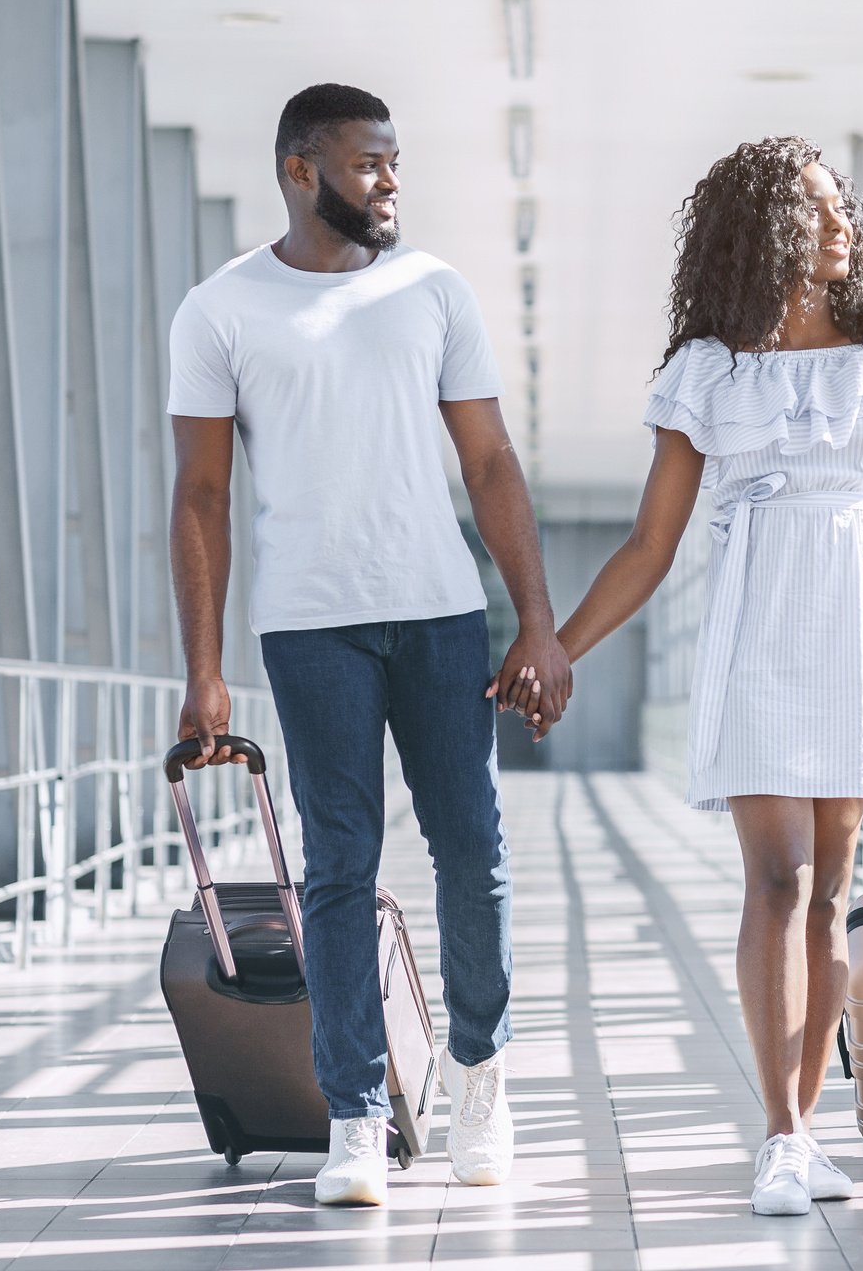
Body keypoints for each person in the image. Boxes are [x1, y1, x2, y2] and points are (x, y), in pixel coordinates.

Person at [167, 83, 569, 1206]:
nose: (390, 181)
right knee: (336, 863)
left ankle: (479, 1078)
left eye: (395, 162)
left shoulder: (434, 289)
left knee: (472, 852)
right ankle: (355, 1110)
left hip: (441, 613)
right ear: (302, 170)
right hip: (307, 623)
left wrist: (535, 619)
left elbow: (489, 463)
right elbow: (201, 494)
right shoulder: (221, 310)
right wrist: (204, 667)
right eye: (368, 163)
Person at [553, 137, 863, 1215]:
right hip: (759, 625)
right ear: (763, 229)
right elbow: (648, 545)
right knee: (774, 874)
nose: (840, 226)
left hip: (858, 629)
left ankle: (806, 1128)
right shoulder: (708, 369)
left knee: (830, 886)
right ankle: (778, 1132)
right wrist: (553, 643)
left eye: (842, 208)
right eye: (816, 210)